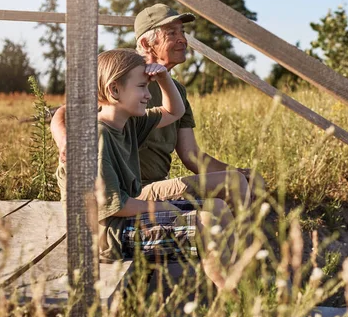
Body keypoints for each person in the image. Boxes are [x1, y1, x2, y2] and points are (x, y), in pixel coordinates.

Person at [51, 4, 263, 212]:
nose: (183, 39)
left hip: (157, 186)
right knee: (233, 187)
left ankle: (231, 238)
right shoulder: (122, 81)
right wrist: (66, 142)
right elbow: (64, 112)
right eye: (172, 33)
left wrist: (238, 173)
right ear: (145, 43)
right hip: (128, 192)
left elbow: (191, 155)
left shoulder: (175, 91)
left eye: (183, 31)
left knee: (245, 183)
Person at [56, 49, 233, 289]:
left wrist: (163, 78)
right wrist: (169, 207)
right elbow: (117, 207)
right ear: (114, 90)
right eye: (142, 87)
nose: (148, 96)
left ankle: (230, 283)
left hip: (124, 219)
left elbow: (174, 112)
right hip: (106, 236)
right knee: (208, 221)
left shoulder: (127, 123)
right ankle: (233, 298)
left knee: (219, 208)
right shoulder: (97, 137)